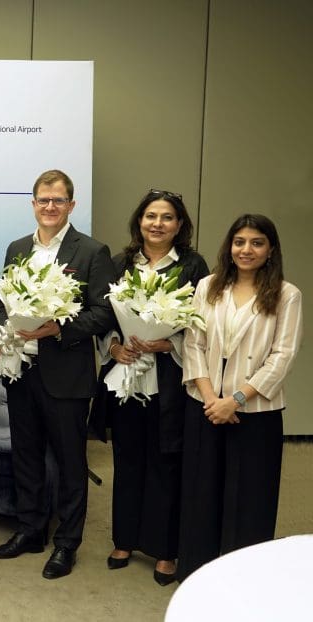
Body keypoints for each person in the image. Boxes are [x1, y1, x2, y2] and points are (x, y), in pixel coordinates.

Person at [0, 169, 115, 579]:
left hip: (66, 373)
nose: (49, 207)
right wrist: (2, 332)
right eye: (43, 200)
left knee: (68, 460)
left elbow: (103, 312)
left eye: (58, 201)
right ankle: (30, 529)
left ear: (71, 205)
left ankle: (67, 543)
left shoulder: (92, 251)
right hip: (20, 369)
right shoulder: (16, 248)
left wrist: (59, 329)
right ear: (33, 204)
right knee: (25, 453)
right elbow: (1, 301)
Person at [88, 190, 208, 585]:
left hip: (168, 379)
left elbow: (199, 323)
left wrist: (166, 342)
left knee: (165, 461)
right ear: (139, 221)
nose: (157, 224)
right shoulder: (120, 263)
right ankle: (124, 539)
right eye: (150, 216)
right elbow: (104, 315)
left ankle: (164, 549)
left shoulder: (192, 266)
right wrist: (114, 347)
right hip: (124, 376)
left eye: (167, 217)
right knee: (128, 458)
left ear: (179, 225)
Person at [177, 214, 302, 581]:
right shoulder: (208, 286)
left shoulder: (286, 294)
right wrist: (211, 398)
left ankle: (244, 579)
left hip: (255, 410)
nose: (246, 249)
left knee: (249, 498)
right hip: (204, 404)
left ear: (271, 250)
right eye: (239, 242)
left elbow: (283, 355)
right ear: (229, 247)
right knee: (202, 493)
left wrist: (235, 399)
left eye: (257, 242)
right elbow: (193, 343)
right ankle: (198, 574)